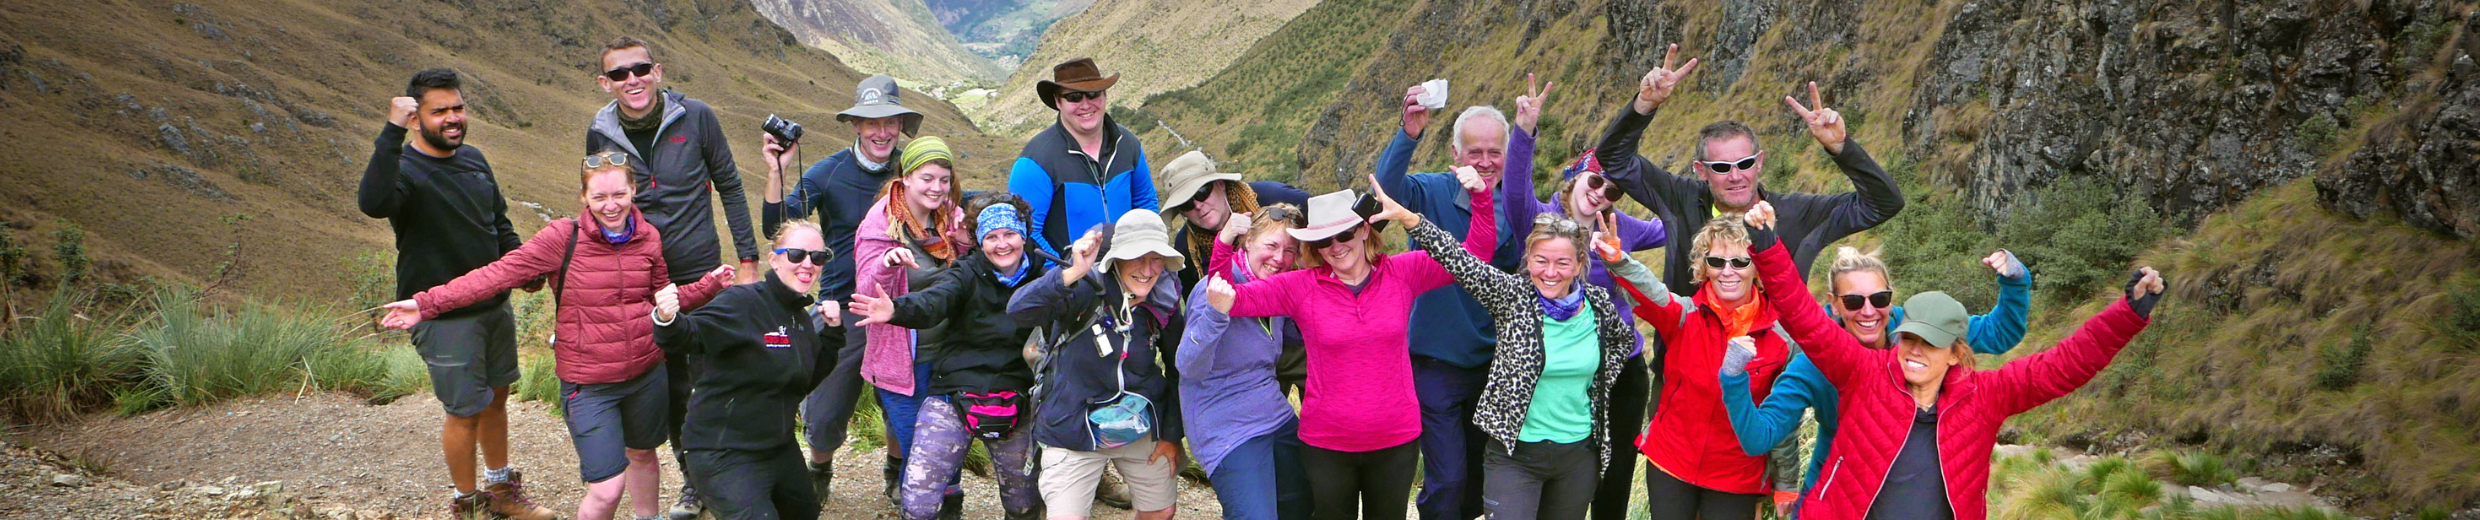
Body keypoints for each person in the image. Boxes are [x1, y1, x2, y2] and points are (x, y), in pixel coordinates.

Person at [1732, 201, 2163, 520]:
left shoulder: (1987, 394)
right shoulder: (1864, 372)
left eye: (1930, 343)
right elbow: (1804, 318)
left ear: (1957, 352)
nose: (1914, 350)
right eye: (1909, 339)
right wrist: (1767, 245)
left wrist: (2129, 314)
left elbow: (2064, 364)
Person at [380, 153, 737, 520]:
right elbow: (497, 275)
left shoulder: (648, 237)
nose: (610, 206)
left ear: (634, 190)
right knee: (607, 489)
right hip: (590, 384)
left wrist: (708, 286)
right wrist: (427, 303)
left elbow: (661, 302)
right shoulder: (562, 238)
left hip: (646, 374)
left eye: (619, 194)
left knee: (644, 455)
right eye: (599, 197)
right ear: (584, 197)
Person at [1208, 170, 1496, 520]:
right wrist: (1224, 243)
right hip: (1326, 444)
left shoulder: (1404, 273)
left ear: (1363, 230)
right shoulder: (1300, 287)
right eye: (1323, 241)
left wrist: (1480, 198)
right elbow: (1226, 297)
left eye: (1343, 234)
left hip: (1396, 439)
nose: (1335, 247)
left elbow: (1476, 254)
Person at [355, 67, 558, 520]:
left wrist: (522, 266)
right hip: (444, 318)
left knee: (497, 398)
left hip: (492, 304)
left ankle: (501, 490)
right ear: (415, 118)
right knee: (465, 410)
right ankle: (467, 506)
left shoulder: (474, 159)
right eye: (439, 110)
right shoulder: (405, 169)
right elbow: (373, 204)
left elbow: (498, 221)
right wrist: (389, 133)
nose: (452, 118)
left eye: (458, 108)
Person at [1716, 247, 2033, 519]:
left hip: (1911, 492)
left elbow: (2001, 331)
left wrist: (2015, 281)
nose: (1869, 312)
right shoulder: (1813, 364)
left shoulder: (1920, 333)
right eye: (1853, 302)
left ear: (1892, 298)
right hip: (1838, 496)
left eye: (1879, 298)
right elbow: (1759, 437)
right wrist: (1733, 378)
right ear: (1834, 303)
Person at [585, 35, 762, 519]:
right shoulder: (598, 132)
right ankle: (692, 482)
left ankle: (725, 473)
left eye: (639, 69)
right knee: (666, 384)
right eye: (619, 74)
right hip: (640, 278)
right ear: (606, 84)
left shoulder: (697, 116)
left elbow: (728, 182)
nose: (632, 80)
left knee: (711, 377)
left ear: (657, 71)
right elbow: (601, 203)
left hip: (699, 270)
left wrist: (747, 260)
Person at [1492, 76, 1670, 513]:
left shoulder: (1621, 227)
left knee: (1617, 469)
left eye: (1612, 190)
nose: (1601, 195)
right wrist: (1525, 132)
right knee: (1568, 470)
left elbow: (1672, 225)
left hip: (1622, 367)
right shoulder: (1539, 218)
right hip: (1555, 369)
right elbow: (1514, 188)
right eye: (1594, 182)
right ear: (1574, 176)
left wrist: (1724, 201)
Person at [1593, 44, 1903, 292]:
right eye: (1721, 167)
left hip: (1774, 369)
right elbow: (1615, 159)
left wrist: (1840, 147)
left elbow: (1883, 203)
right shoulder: (1680, 199)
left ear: (1760, 162)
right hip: (1687, 364)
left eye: (1744, 164)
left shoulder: (1798, 213)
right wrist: (1644, 106)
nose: (1736, 176)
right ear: (1701, 170)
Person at [1404, 206, 1639, 520]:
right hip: (1514, 456)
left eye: (1562, 262)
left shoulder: (1598, 306)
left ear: (1579, 264)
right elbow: (1458, 260)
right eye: (1541, 261)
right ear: (1528, 260)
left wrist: (1600, 387)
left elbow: (1625, 341)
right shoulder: (1512, 296)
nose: (1550, 272)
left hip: (1577, 457)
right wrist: (1411, 220)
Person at [760, 73, 926, 501]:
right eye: (872, 122)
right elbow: (776, 228)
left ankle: (895, 469)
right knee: (827, 399)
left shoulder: (915, 170)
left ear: (901, 124)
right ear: (856, 125)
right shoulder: (827, 173)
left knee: (901, 396)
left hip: (903, 303)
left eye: (890, 121)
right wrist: (776, 171)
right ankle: (819, 469)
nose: (882, 131)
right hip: (843, 305)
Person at [1373, 76, 1533, 520]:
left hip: (1492, 362)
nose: (1485, 161)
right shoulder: (1430, 191)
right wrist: (1409, 132)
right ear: (1456, 155)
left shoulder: (1516, 206)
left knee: (1481, 478)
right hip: (1434, 362)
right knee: (1446, 479)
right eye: (1474, 151)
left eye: (1494, 151)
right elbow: (1386, 188)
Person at [849, 193, 1049, 520]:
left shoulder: (1044, 276)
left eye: (1010, 234)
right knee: (918, 500)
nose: (1002, 245)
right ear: (980, 240)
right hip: (954, 391)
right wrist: (895, 310)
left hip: (1018, 394)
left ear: (1023, 235)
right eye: (991, 236)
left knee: (1023, 504)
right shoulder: (965, 273)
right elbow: (934, 302)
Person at [1603, 216, 1791, 520]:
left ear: (1757, 267)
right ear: (1704, 268)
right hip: (1671, 462)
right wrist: (1617, 260)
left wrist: (1786, 483)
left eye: (1740, 261)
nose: (1728, 271)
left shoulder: (1780, 340)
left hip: (1737, 475)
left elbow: (1782, 420)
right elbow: (1649, 290)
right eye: (1716, 261)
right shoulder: (1684, 316)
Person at [652, 221, 840, 520]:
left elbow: (804, 380)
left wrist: (831, 335)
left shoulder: (801, 319)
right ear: (775, 259)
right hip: (723, 452)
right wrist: (665, 317)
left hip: (776, 446)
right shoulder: (743, 302)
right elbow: (688, 336)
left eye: (817, 257)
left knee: (805, 512)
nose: (808, 264)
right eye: (796, 254)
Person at [1008, 210, 1188, 520]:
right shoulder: (1085, 288)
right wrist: (1072, 272)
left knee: (1161, 510)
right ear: (1117, 258)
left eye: (1156, 258)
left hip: (1138, 421)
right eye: (1137, 258)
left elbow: (1178, 369)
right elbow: (1018, 310)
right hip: (1071, 423)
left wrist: (1172, 434)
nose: (1147, 270)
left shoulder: (1163, 300)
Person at [853, 137, 972, 513]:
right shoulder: (881, 224)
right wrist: (888, 263)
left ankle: (948, 506)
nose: (936, 188)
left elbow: (968, 275)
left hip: (950, 357)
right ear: (905, 178)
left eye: (943, 179)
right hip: (903, 361)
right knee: (920, 453)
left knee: (950, 444)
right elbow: (865, 291)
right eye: (927, 178)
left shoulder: (950, 217)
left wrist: (966, 243)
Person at [1180, 207, 1312, 520]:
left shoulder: (1275, 289)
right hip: (1226, 426)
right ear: (1247, 241)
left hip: (1273, 414)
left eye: (1290, 251)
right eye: (1272, 245)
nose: (1280, 258)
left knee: (1303, 502)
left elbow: (1298, 334)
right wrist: (1216, 313)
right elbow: (1188, 367)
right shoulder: (1214, 288)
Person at [1156, 150, 1314, 395]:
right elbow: (1202, 310)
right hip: (1252, 352)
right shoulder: (1187, 249)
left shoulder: (1272, 198)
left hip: (1304, 336)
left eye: (1201, 192)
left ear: (1219, 184)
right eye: (1187, 203)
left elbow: (1338, 229)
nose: (1198, 205)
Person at [1008, 57, 1159, 261]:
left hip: (1128, 272)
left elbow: (1146, 203)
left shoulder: (1128, 144)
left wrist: (1147, 252)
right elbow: (1025, 233)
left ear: (1105, 96)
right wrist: (1068, 271)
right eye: (1074, 97)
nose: (1085, 104)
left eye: (1093, 94)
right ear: (1057, 101)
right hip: (1073, 285)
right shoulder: (1035, 161)